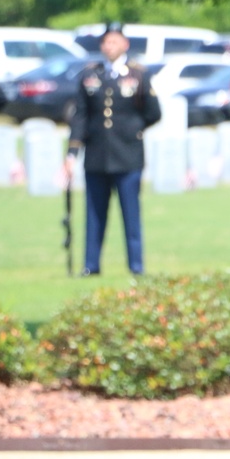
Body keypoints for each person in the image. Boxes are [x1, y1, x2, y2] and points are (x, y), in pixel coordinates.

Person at [64, 22, 162, 276]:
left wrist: (132, 129)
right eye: (107, 41)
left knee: (130, 215)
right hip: (97, 157)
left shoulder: (138, 75)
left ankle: (136, 266)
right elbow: (80, 117)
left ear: (125, 44)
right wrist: (72, 152)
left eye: (116, 41)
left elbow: (153, 112)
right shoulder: (90, 75)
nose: (111, 46)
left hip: (128, 156)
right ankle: (91, 265)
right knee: (94, 215)